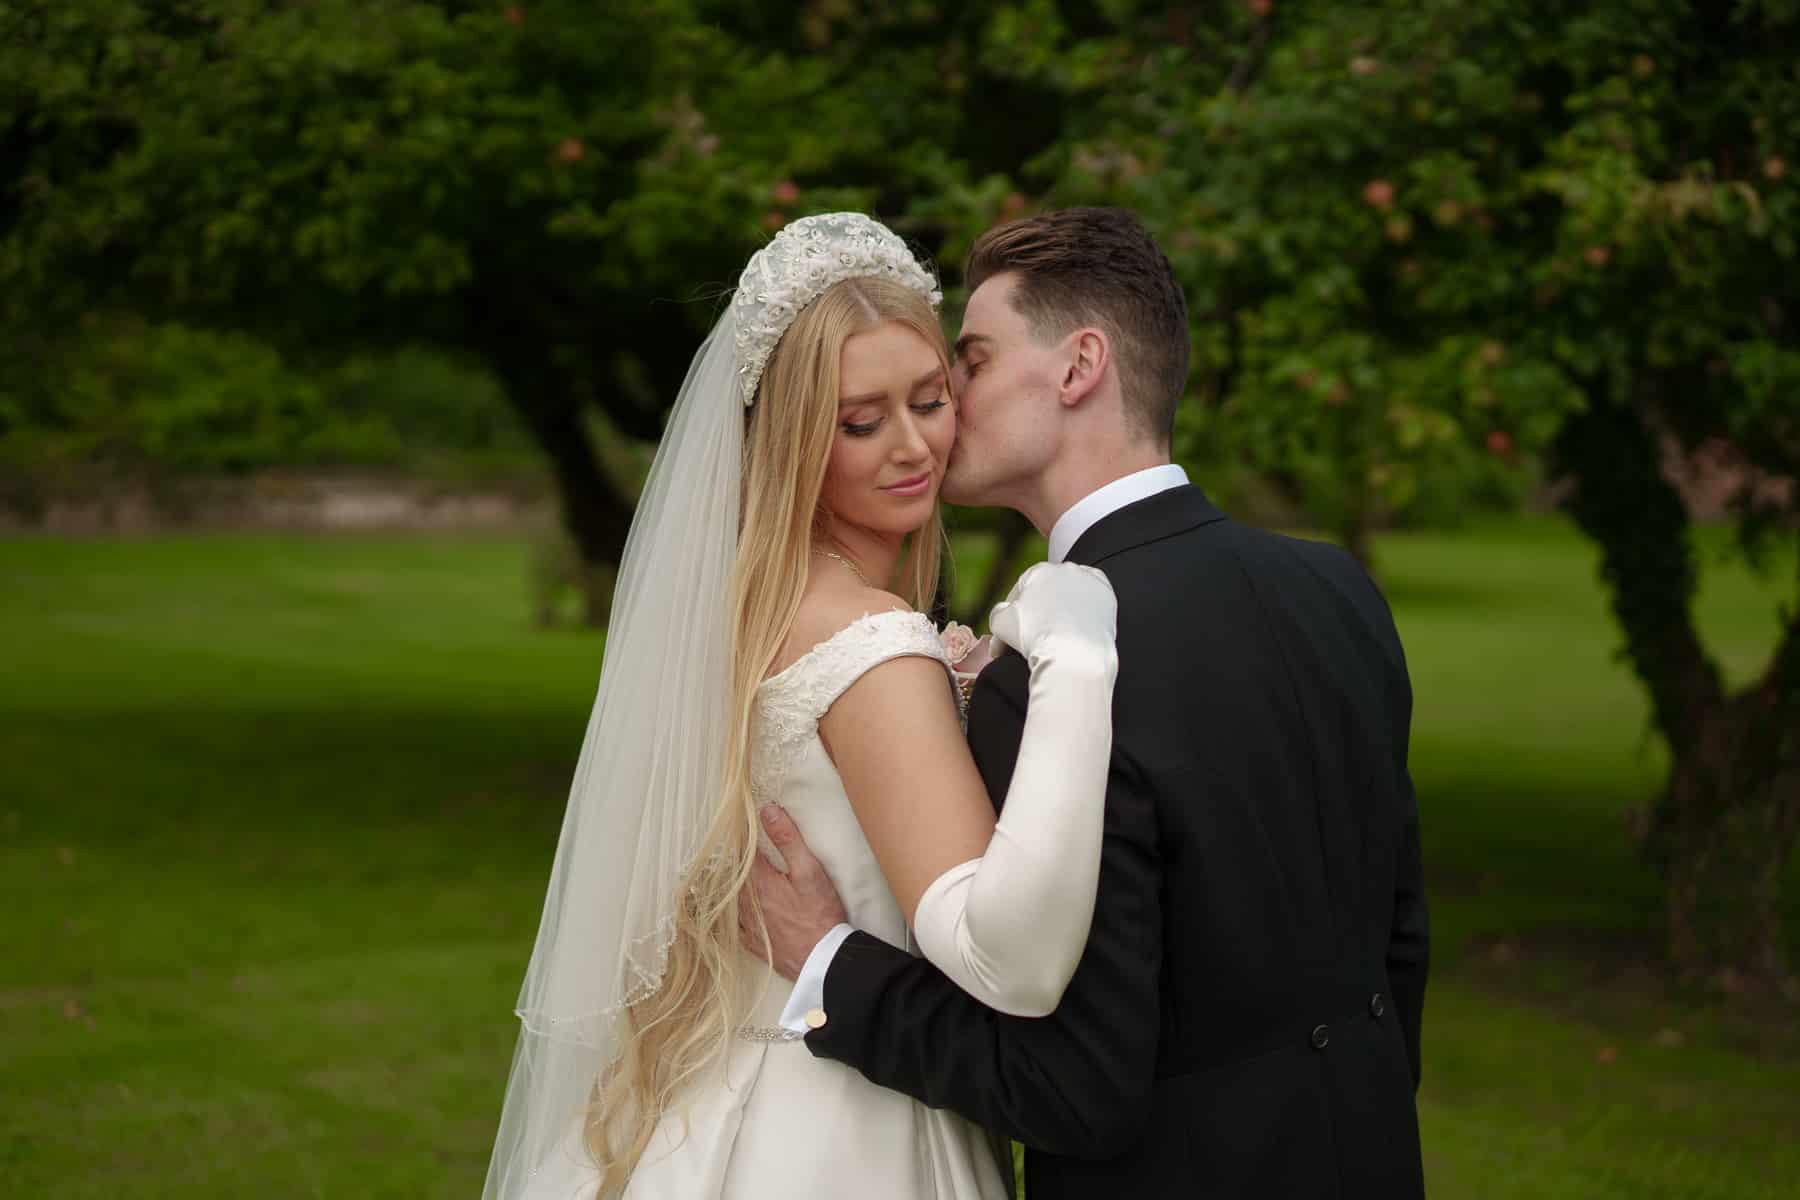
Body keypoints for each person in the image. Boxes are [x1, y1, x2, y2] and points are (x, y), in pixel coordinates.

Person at [749, 207, 1430, 1199]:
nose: (947, 401)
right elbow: (1395, 942)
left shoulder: (1053, 678)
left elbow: (1074, 1088)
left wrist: (827, 970)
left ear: (1077, 369)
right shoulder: (1337, 593)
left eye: (970, 362)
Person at [482, 211, 1122, 1200]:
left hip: (719, 1077)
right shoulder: (871, 645)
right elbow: (1002, 952)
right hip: (846, 1115)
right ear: (789, 440)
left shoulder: (748, 614)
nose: (913, 446)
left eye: (931, 400)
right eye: (861, 421)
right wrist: (1072, 665)